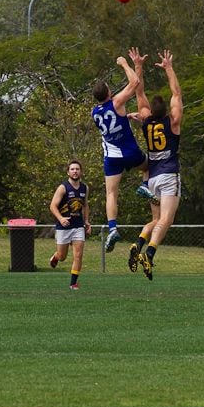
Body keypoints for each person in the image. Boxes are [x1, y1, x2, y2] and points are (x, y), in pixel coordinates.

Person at [91, 48, 157, 254]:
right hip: (128, 151)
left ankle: (112, 228)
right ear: (109, 92)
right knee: (149, 165)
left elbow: (111, 122)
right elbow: (135, 83)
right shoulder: (117, 102)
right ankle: (145, 185)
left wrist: (126, 117)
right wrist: (125, 64)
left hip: (111, 157)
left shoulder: (94, 112)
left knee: (111, 193)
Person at [127, 49, 183, 281]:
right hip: (169, 175)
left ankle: (138, 244)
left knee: (155, 219)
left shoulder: (146, 120)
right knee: (165, 221)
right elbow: (177, 94)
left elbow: (139, 90)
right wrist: (169, 67)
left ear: (151, 111)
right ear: (167, 112)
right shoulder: (173, 123)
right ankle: (149, 253)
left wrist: (138, 65)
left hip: (151, 179)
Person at [49, 159, 92, 290]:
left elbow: (85, 205)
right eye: (72, 169)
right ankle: (56, 256)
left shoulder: (85, 188)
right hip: (64, 226)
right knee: (62, 257)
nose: (75, 171)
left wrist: (86, 221)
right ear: (68, 172)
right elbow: (52, 206)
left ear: (81, 172)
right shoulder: (63, 187)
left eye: (77, 169)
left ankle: (73, 283)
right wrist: (61, 218)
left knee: (78, 255)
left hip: (78, 226)